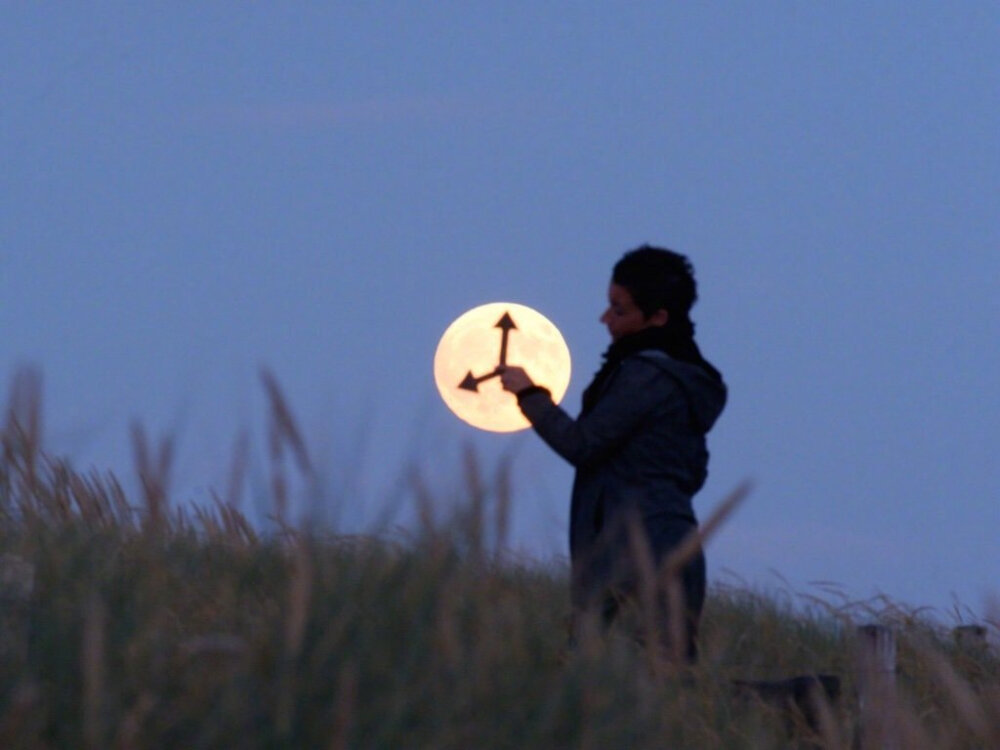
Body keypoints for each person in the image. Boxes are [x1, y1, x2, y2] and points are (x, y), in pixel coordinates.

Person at [499, 245, 726, 662]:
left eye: (619, 310)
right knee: (667, 688)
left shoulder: (646, 377)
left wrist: (529, 395)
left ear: (657, 318)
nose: (605, 319)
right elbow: (694, 471)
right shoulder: (682, 383)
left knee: (594, 684)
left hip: (631, 551)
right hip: (674, 540)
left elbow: (582, 445)